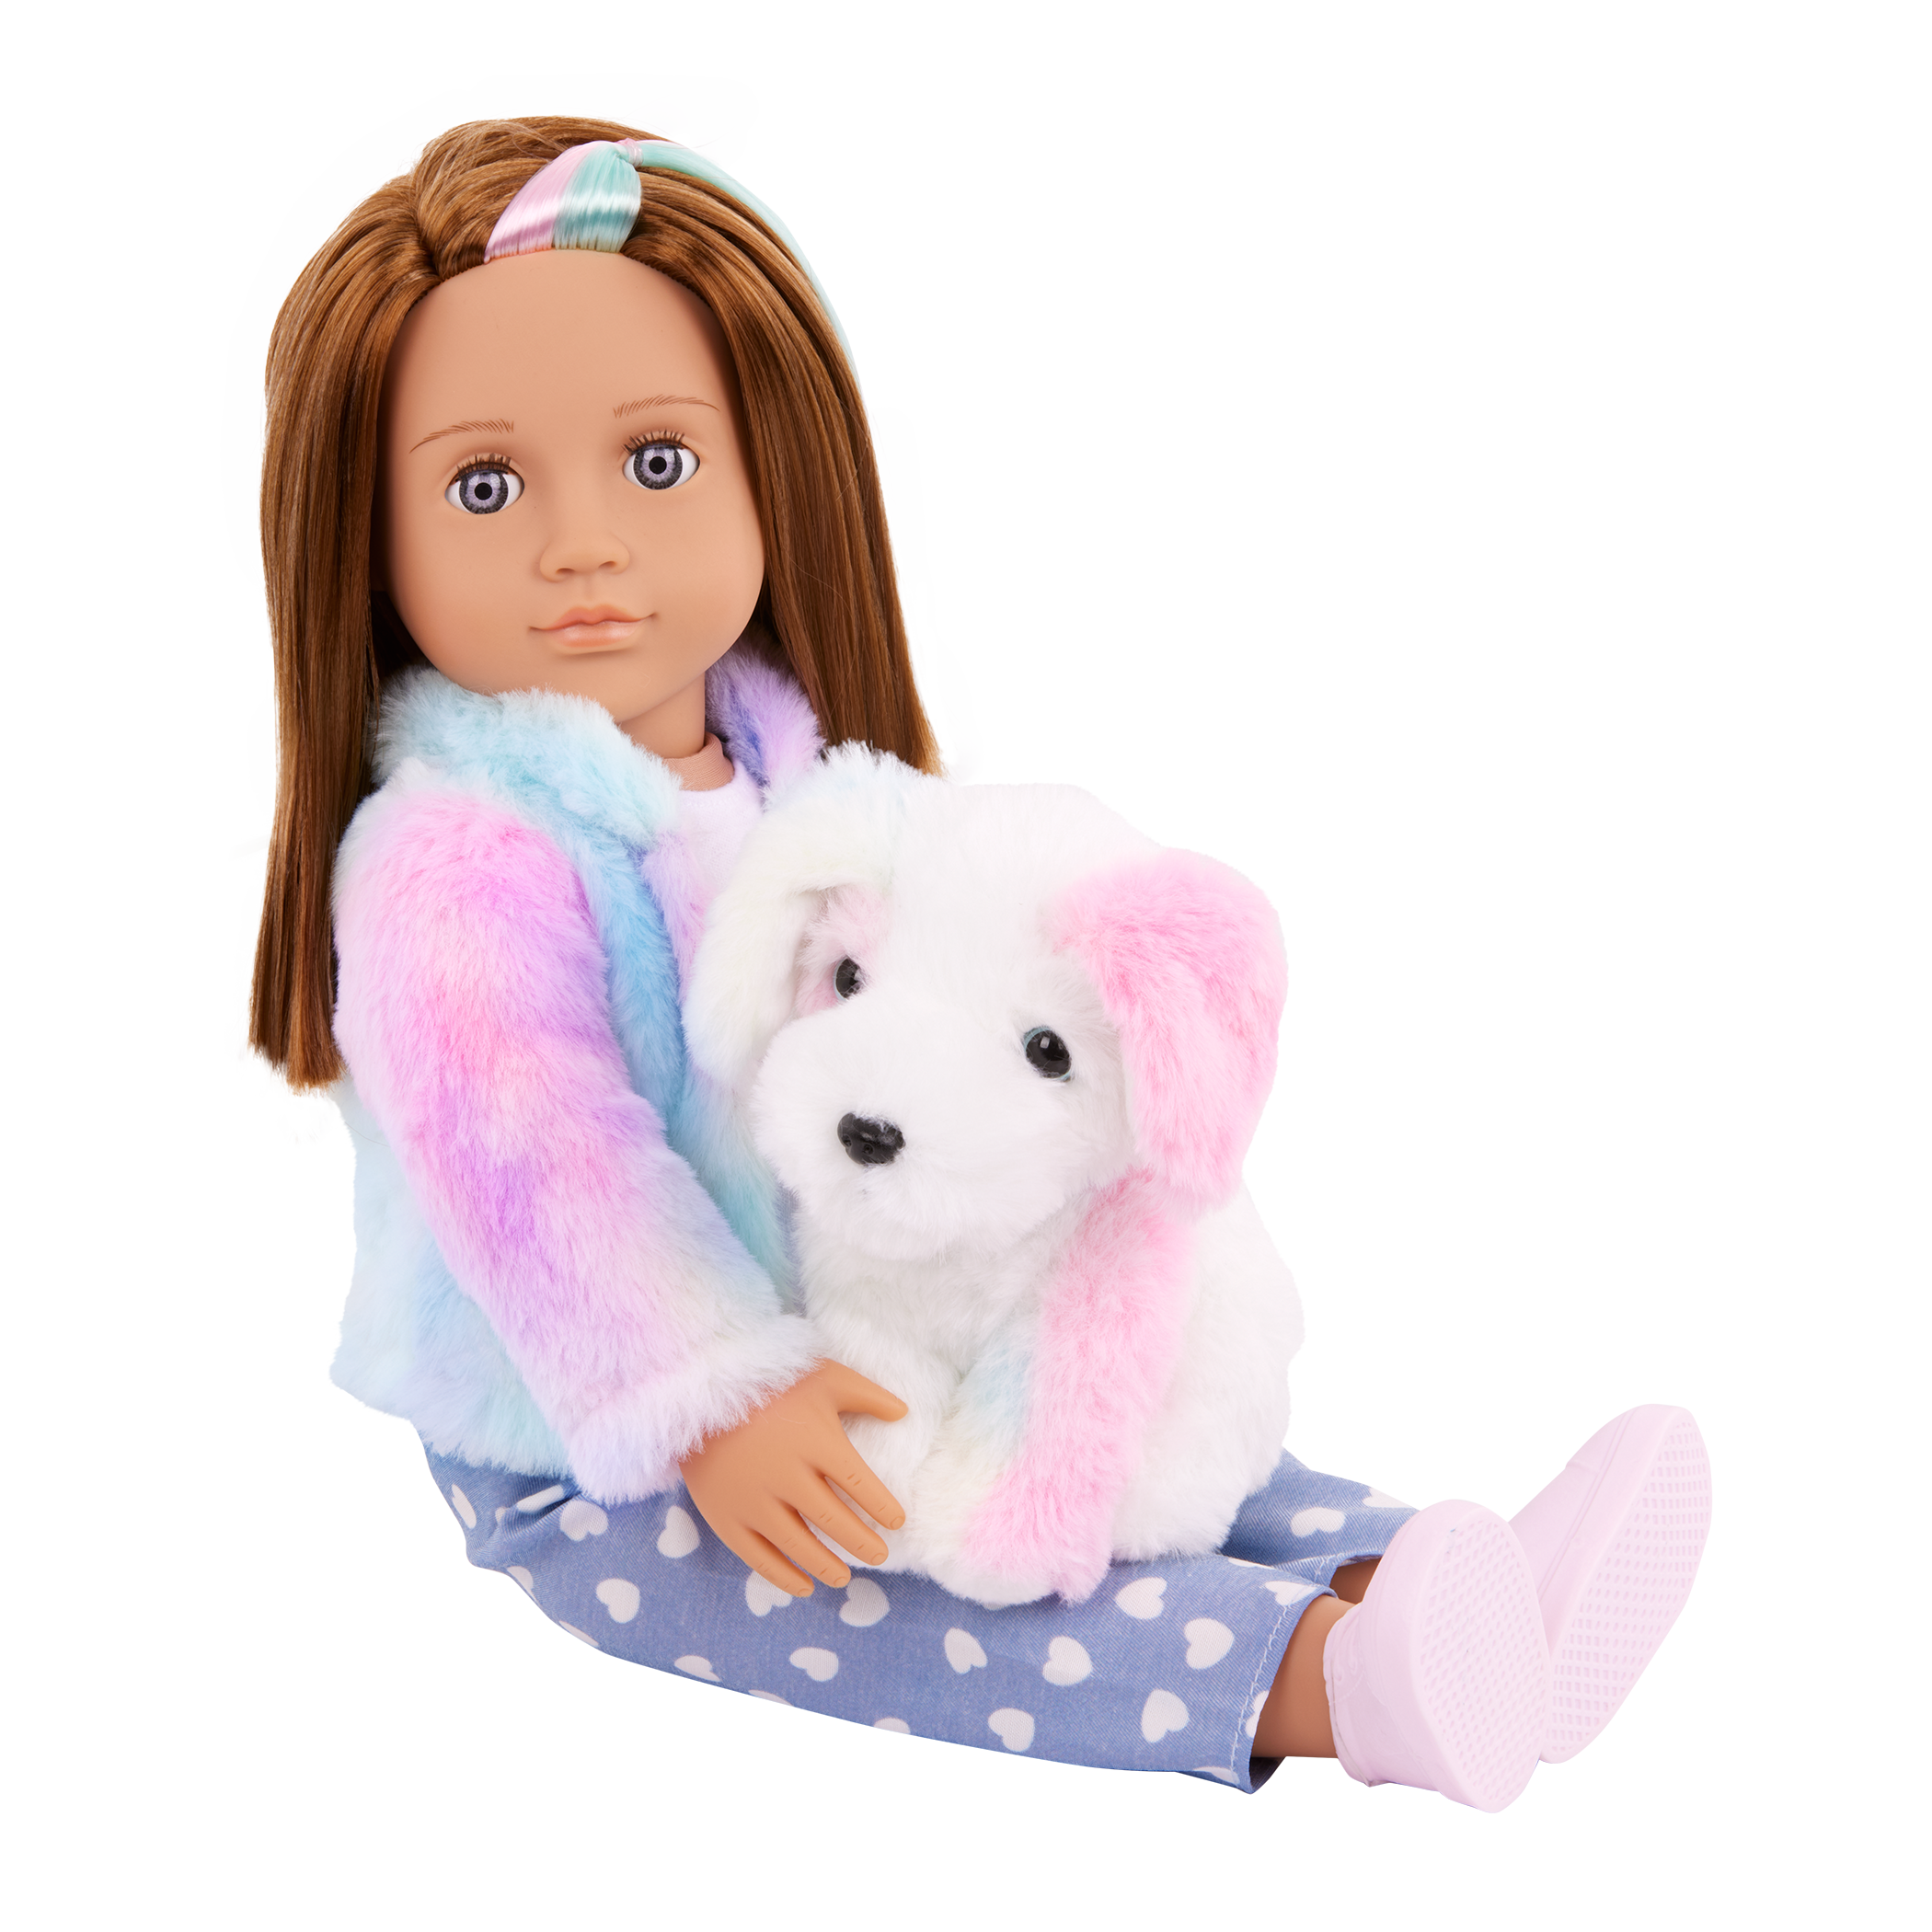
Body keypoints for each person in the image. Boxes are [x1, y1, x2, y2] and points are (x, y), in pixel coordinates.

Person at [247, 116, 1708, 1808]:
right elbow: (530, 1154)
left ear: (774, 467)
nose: (583, 543)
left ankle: (1455, 1593)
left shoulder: (799, 770)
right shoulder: (455, 856)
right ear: (368, 536)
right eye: (485, 487)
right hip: (595, 1441)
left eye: (655, 461)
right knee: (899, 1604)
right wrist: (704, 1397)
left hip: (863, 1308)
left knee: (1121, 1429)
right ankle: (1337, 1688)